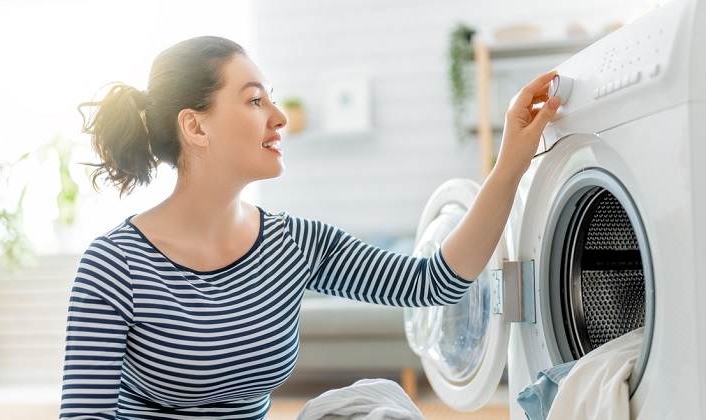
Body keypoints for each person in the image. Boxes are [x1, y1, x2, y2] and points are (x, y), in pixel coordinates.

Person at [59, 35, 560, 419]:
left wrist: (511, 163)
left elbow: (433, 281)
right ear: (195, 127)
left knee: (380, 404)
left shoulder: (293, 243)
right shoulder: (114, 267)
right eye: (255, 100)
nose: (278, 118)